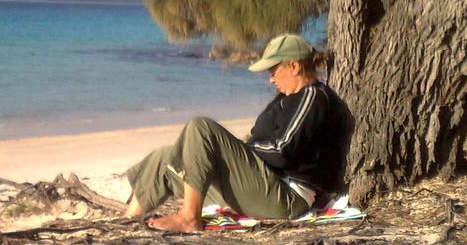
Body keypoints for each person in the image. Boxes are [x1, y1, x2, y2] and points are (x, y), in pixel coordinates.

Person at [124, 33, 351, 232]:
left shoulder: (312, 97)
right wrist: (234, 153)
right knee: (166, 157)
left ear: (294, 66)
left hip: (286, 196)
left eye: (273, 70)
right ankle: (127, 223)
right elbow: (258, 139)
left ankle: (189, 218)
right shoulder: (286, 100)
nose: (270, 78)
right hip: (261, 188)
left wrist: (239, 151)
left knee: (201, 127)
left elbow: (282, 150)